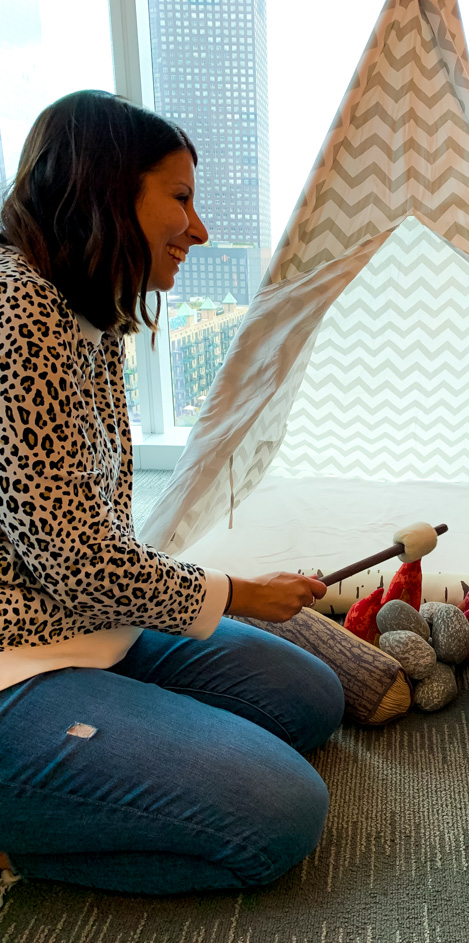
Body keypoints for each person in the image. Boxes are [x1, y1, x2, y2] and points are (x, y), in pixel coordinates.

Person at [0, 90, 344, 900]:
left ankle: (118, 729)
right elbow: (78, 560)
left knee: (311, 700)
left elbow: (87, 541)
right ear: (106, 190)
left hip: (92, 624)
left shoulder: (88, 311)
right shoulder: (15, 316)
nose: (199, 229)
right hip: (18, 659)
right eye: (181, 200)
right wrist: (240, 594)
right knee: (281, 810)